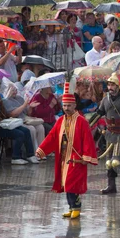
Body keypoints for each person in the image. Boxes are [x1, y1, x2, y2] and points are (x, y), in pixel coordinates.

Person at [35, 81, 98, 219]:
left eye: (69, 105)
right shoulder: (60, 121)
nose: (66, 108)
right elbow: (52, 137)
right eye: (64, 105)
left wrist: (87, 156)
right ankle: (71, 207)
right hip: (64, 158)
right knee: (66, 184)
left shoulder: (81, 121)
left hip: (76, 159)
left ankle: (76, 207)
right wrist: (41, 149)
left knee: (72, 184)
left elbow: (87, 139)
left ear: (75, 105)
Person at [89, 73, 120, 194]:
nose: (110, 87)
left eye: (112, 85)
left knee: (116, 160)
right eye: (109, 85)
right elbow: (99, 113)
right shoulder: (105, 99)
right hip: (109, 133)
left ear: (118, 86)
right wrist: (88, 125)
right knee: (109, 162)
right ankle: (111, 185)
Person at [0, 90, 39, 165]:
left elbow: (6, 115)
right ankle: (16, 157)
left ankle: (30, 155)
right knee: (19, 134)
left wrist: (0, 104)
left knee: (26, 130)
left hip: (5, 124)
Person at [3, 83, 45, 151]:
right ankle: (33, 152)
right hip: (15, 122)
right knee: (31, 129)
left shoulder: (19, 98)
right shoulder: (5, 100)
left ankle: (42, 150)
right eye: (12, 90)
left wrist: (30, 107)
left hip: (25, 119)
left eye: (15, 89)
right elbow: (13, 114)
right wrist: (24, 105)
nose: (14, 92)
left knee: (40, 127)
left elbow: (28, 113)